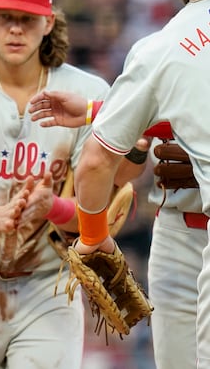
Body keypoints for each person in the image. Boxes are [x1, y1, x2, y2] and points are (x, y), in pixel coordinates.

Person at [53, 0, 210, 368]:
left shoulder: (165, 47)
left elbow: (99, 161)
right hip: (183, 232)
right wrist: (99, 112)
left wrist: (93, 235)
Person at [0, 0, 110, 368]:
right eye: (6, 16)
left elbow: (105, 212)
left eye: (28, 19)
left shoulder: (87, 92)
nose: (15, 29)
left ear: (48, 23)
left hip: (48, 287)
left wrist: (55, 208)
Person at [29, 91, 205, 368]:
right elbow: (121, 174)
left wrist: (93, 110)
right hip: (174, 230)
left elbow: (97, 165)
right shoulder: (158, 55)